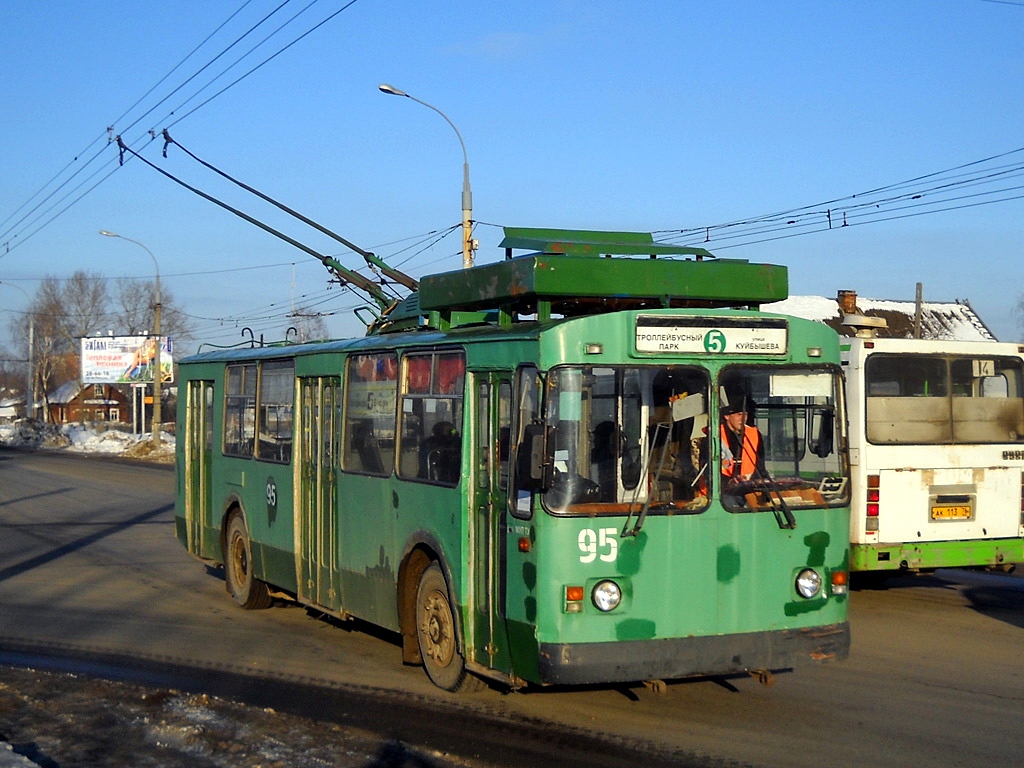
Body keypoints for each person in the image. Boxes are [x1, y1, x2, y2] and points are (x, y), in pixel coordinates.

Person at [720, 397, 765, 486]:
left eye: (745, 414)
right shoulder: (715, 435)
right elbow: (708, 471)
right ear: (727, 416)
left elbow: (760, 467)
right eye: (739, 414)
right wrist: (729, 482)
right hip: (722, 490)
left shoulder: (754, 434)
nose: (743, 418)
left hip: (749, 486)